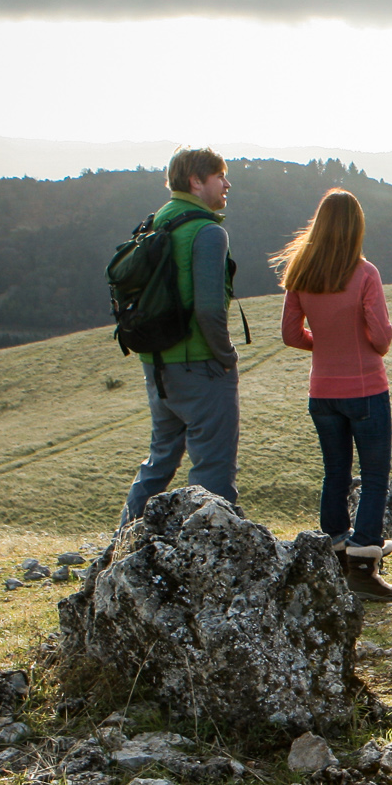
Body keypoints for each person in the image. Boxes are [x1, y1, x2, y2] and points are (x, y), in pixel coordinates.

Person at [273, 188, 392, 601]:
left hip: (322, 392)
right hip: (365, 390)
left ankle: (336, 548)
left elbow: (291, 334)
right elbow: (381, 340)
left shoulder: (301, 273)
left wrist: (325, 344)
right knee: (375, 476)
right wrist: (363, 341)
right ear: (356, 227)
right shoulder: (365, 274)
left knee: (336, 473)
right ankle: (364, 563)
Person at [121, 146, 242, 526]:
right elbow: (209, 309)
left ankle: (122, 547)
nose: (227, 184)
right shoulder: (207, 232)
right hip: (200, 366)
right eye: (219, 176)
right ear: (196, 181)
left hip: (157, 364)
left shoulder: (157, 222)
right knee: (213, 469)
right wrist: (226, 357)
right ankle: (212, 554)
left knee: (160, 460)